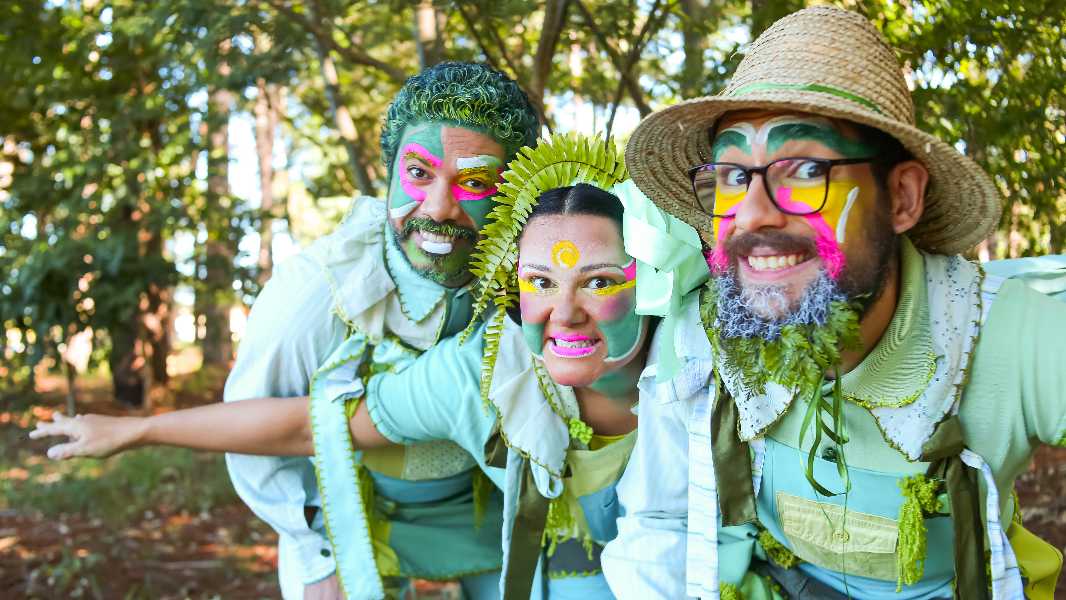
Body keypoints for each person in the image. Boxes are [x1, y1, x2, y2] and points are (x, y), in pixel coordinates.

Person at [33, 134, 709, 600]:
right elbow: (312, 427)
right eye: (539, 282)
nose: (563, 313)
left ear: (651, 278)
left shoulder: (715, 364)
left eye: (597, 282)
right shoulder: (482, 374)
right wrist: (140, 429)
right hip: (558, 561)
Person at [601, 6, 1066, 600]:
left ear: (901, 197)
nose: (753, 212)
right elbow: (660, 526)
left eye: (806, 168)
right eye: (733, 176)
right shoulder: (699, 340)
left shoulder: (999, 332)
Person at [216, 61, 539, 600]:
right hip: (350, 514)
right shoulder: (314, 289)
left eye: (476, 182)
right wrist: (314, 555)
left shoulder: (533, 279)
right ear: (388, 173)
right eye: (419, 173)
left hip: (485, 509)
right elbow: (250, 430)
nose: (438, 208)